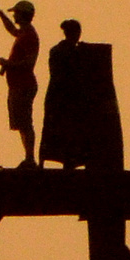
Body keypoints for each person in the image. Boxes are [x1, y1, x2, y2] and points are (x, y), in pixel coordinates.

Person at [0, 0, 41, 168]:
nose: (14, 16)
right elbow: (12, 30)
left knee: (25, 123)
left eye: (16, 13)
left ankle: (30, 159)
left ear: (23, 15)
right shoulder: (24, 33)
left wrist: (8, 63)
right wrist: (1, 14)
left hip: (24, 85)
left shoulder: (29, 36)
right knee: (21, 124)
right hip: (17, 85)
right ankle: (28, 158)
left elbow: (29, 63)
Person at [40, 19, 86, 169]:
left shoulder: (56, 50)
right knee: (69, 128)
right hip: (67, 96)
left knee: (53, 128)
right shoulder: (75, 52)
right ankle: (70, 159)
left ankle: (45, 159)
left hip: (55, 94)